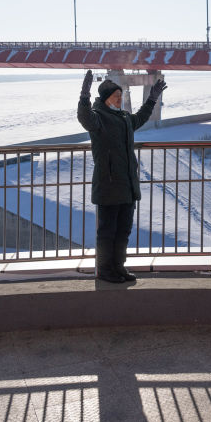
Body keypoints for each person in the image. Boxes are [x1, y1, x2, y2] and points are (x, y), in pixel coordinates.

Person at [77, 70, 167, 283]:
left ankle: (118, 267)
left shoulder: (124, 117)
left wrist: (152, 98)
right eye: (116, 96)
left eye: (120, 95)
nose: (120, 98)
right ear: (105, 99)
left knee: (123, 230)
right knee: (107, 232)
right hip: (108, 184)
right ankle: (105, 270)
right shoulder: (98, 118)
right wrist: (84, 95)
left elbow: (141, 118)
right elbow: (84, 118)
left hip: (127, 184)